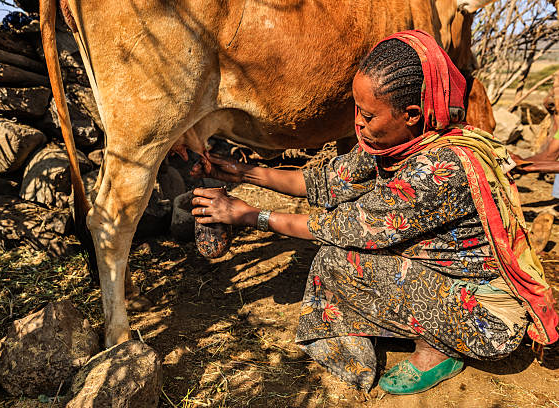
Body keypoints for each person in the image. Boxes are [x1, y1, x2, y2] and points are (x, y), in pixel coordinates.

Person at [190, 30, 559, 395]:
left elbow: (344, 227)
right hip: (440, 278)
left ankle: (439, 347)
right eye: (357, 109)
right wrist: (243, 172)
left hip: (485, 318)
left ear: (411, 114)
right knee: (333, 261)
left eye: (367, 115)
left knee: (336, 259)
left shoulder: (439, 168)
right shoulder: (400, 140)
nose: (358, 123)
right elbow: (326, 181)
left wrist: (246, 215)